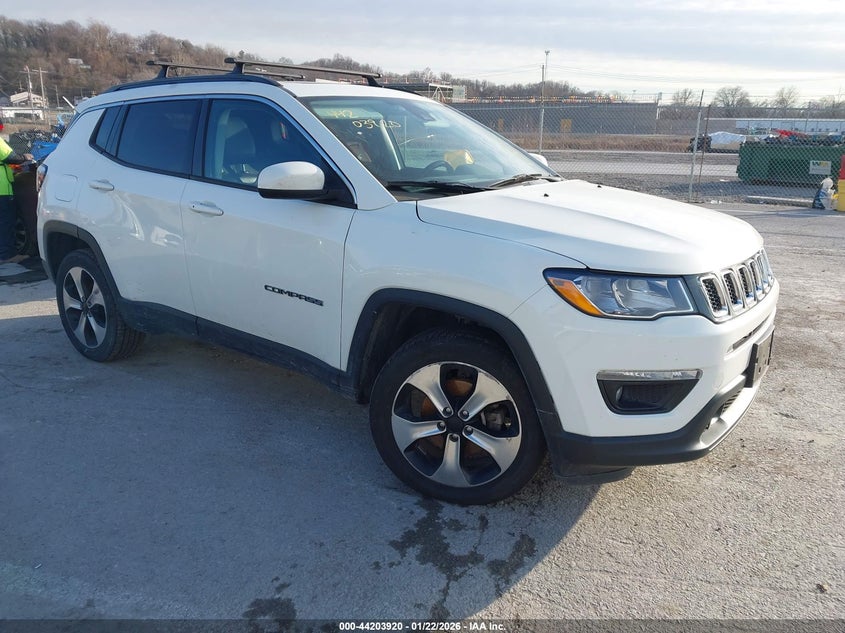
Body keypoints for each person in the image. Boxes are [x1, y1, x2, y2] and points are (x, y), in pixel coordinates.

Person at [0, 117, 33, 264]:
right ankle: (7, 255)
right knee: (6, 222)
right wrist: (25, 156)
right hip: (2, 191)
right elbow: (11, 157)